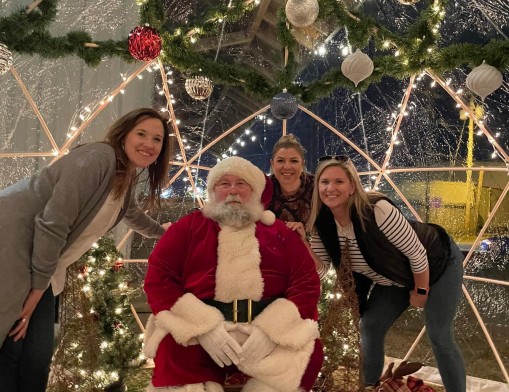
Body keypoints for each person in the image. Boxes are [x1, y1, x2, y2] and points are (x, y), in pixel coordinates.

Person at [0, 107, 173, 392]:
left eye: (157, 139)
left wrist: (162, 233)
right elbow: (53, 223)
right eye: (141, 134)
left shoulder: (123, 177)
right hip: (15, 253)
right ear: (124, 134)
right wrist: (34, 292)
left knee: (34, 359)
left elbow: (131, 214)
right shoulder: (97, 158)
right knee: (13, 354)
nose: (149, 144)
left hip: (40, 268)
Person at [143, 156, 323, 392]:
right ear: (213, 191)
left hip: (263, 327)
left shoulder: (279, 233)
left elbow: (306, 282)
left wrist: (271, 331)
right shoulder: (187, 228)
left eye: (241, 184)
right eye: (224, 184)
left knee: (306, 354)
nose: (232, 191)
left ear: (255, 191)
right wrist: (203, 327)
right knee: (174, 352)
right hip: (201, 330)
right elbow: (159, 279)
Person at [300, 156, 466, 391]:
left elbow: (418, 254)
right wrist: (303, 244)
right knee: (370, 325)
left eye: (339, 181)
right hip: (392, 277)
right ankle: (369, 388)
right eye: (324, 182)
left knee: (439, 334)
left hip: (438, 263)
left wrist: (420, 290)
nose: (330, 188)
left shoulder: (377, 210)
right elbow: (321, 268)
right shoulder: (323, 223)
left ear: (352, 187)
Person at [268, 134, 314, 226]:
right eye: (280, 161)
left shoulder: (316, 187)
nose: (287, 167)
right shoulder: (264, 187)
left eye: (294, 161)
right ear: (272, 164)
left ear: (302, 164)